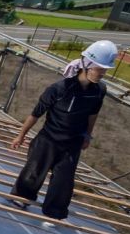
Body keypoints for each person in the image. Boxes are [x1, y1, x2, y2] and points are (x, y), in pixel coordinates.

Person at [8, 39, 118, 223]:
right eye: (99, 69)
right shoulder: (59, 89)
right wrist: (21, 136)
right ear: (87, 64)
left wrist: (87, 135)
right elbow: (36, 113)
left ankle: (54, 212)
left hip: (72, 143)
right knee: (34, 171)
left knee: (63, 181)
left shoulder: (99, 90)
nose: (102, 74)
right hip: (48, 139)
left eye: (105, 70)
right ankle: (21, 198)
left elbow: (93, 114)